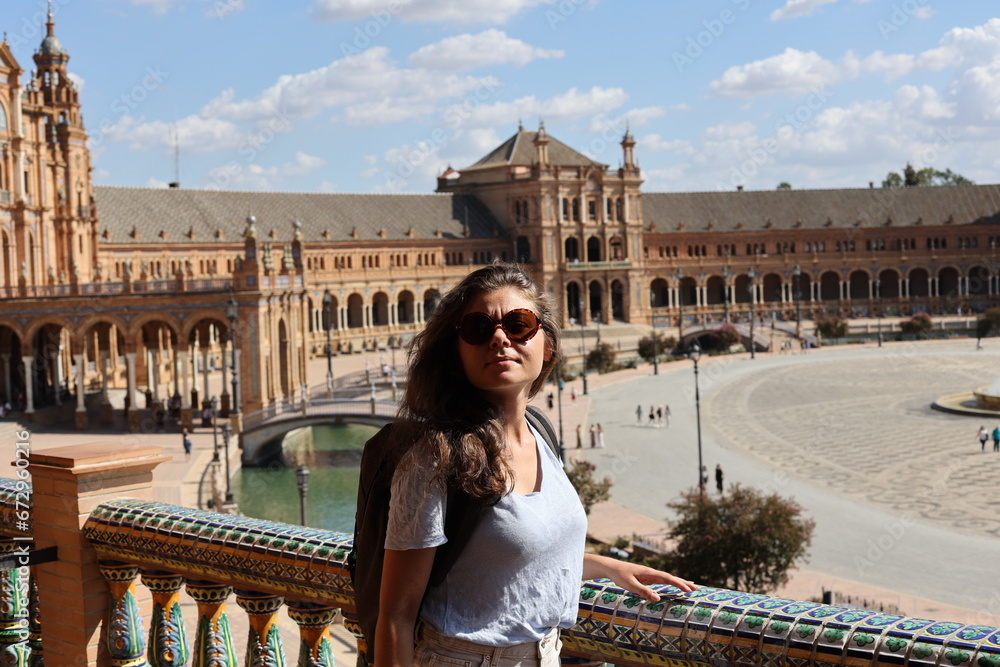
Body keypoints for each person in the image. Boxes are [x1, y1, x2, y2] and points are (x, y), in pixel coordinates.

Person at [377, 264, 696, 667]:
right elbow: (396, 615)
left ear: (546, 345)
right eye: (478, 328)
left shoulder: (541, 435)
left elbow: (509, 558)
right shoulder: (434, 458)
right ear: (456, 354)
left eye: (518, 324)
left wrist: (607, 566)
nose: (499, 338)